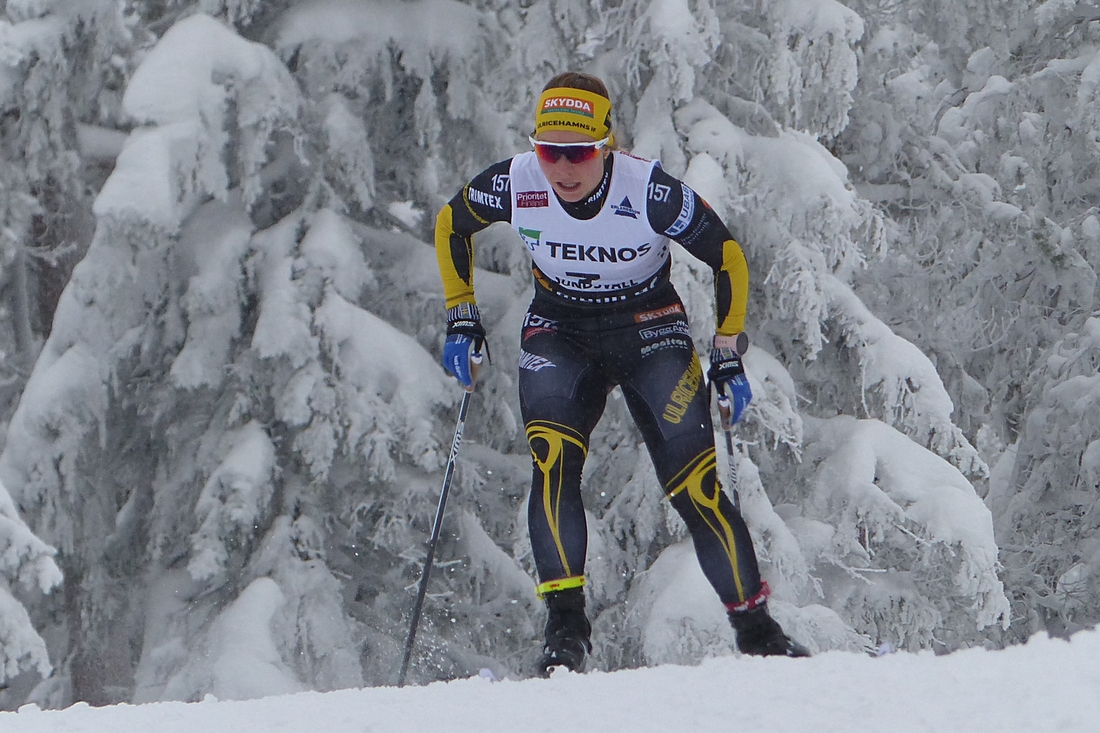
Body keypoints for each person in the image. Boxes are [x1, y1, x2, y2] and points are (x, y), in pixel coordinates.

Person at [434, 71, 808, 676]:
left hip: (649, 330)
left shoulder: (648, 190)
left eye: (579, 152)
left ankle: (758, 632)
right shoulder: (516, 181)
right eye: (549, 150)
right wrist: (460, 316)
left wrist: (728, 349)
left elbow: (727, 257)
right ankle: (565, 632)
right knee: (552, 461)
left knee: (695, 486)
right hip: (560, 330)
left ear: (606, 145)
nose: (563, 168)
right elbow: (452, 224)